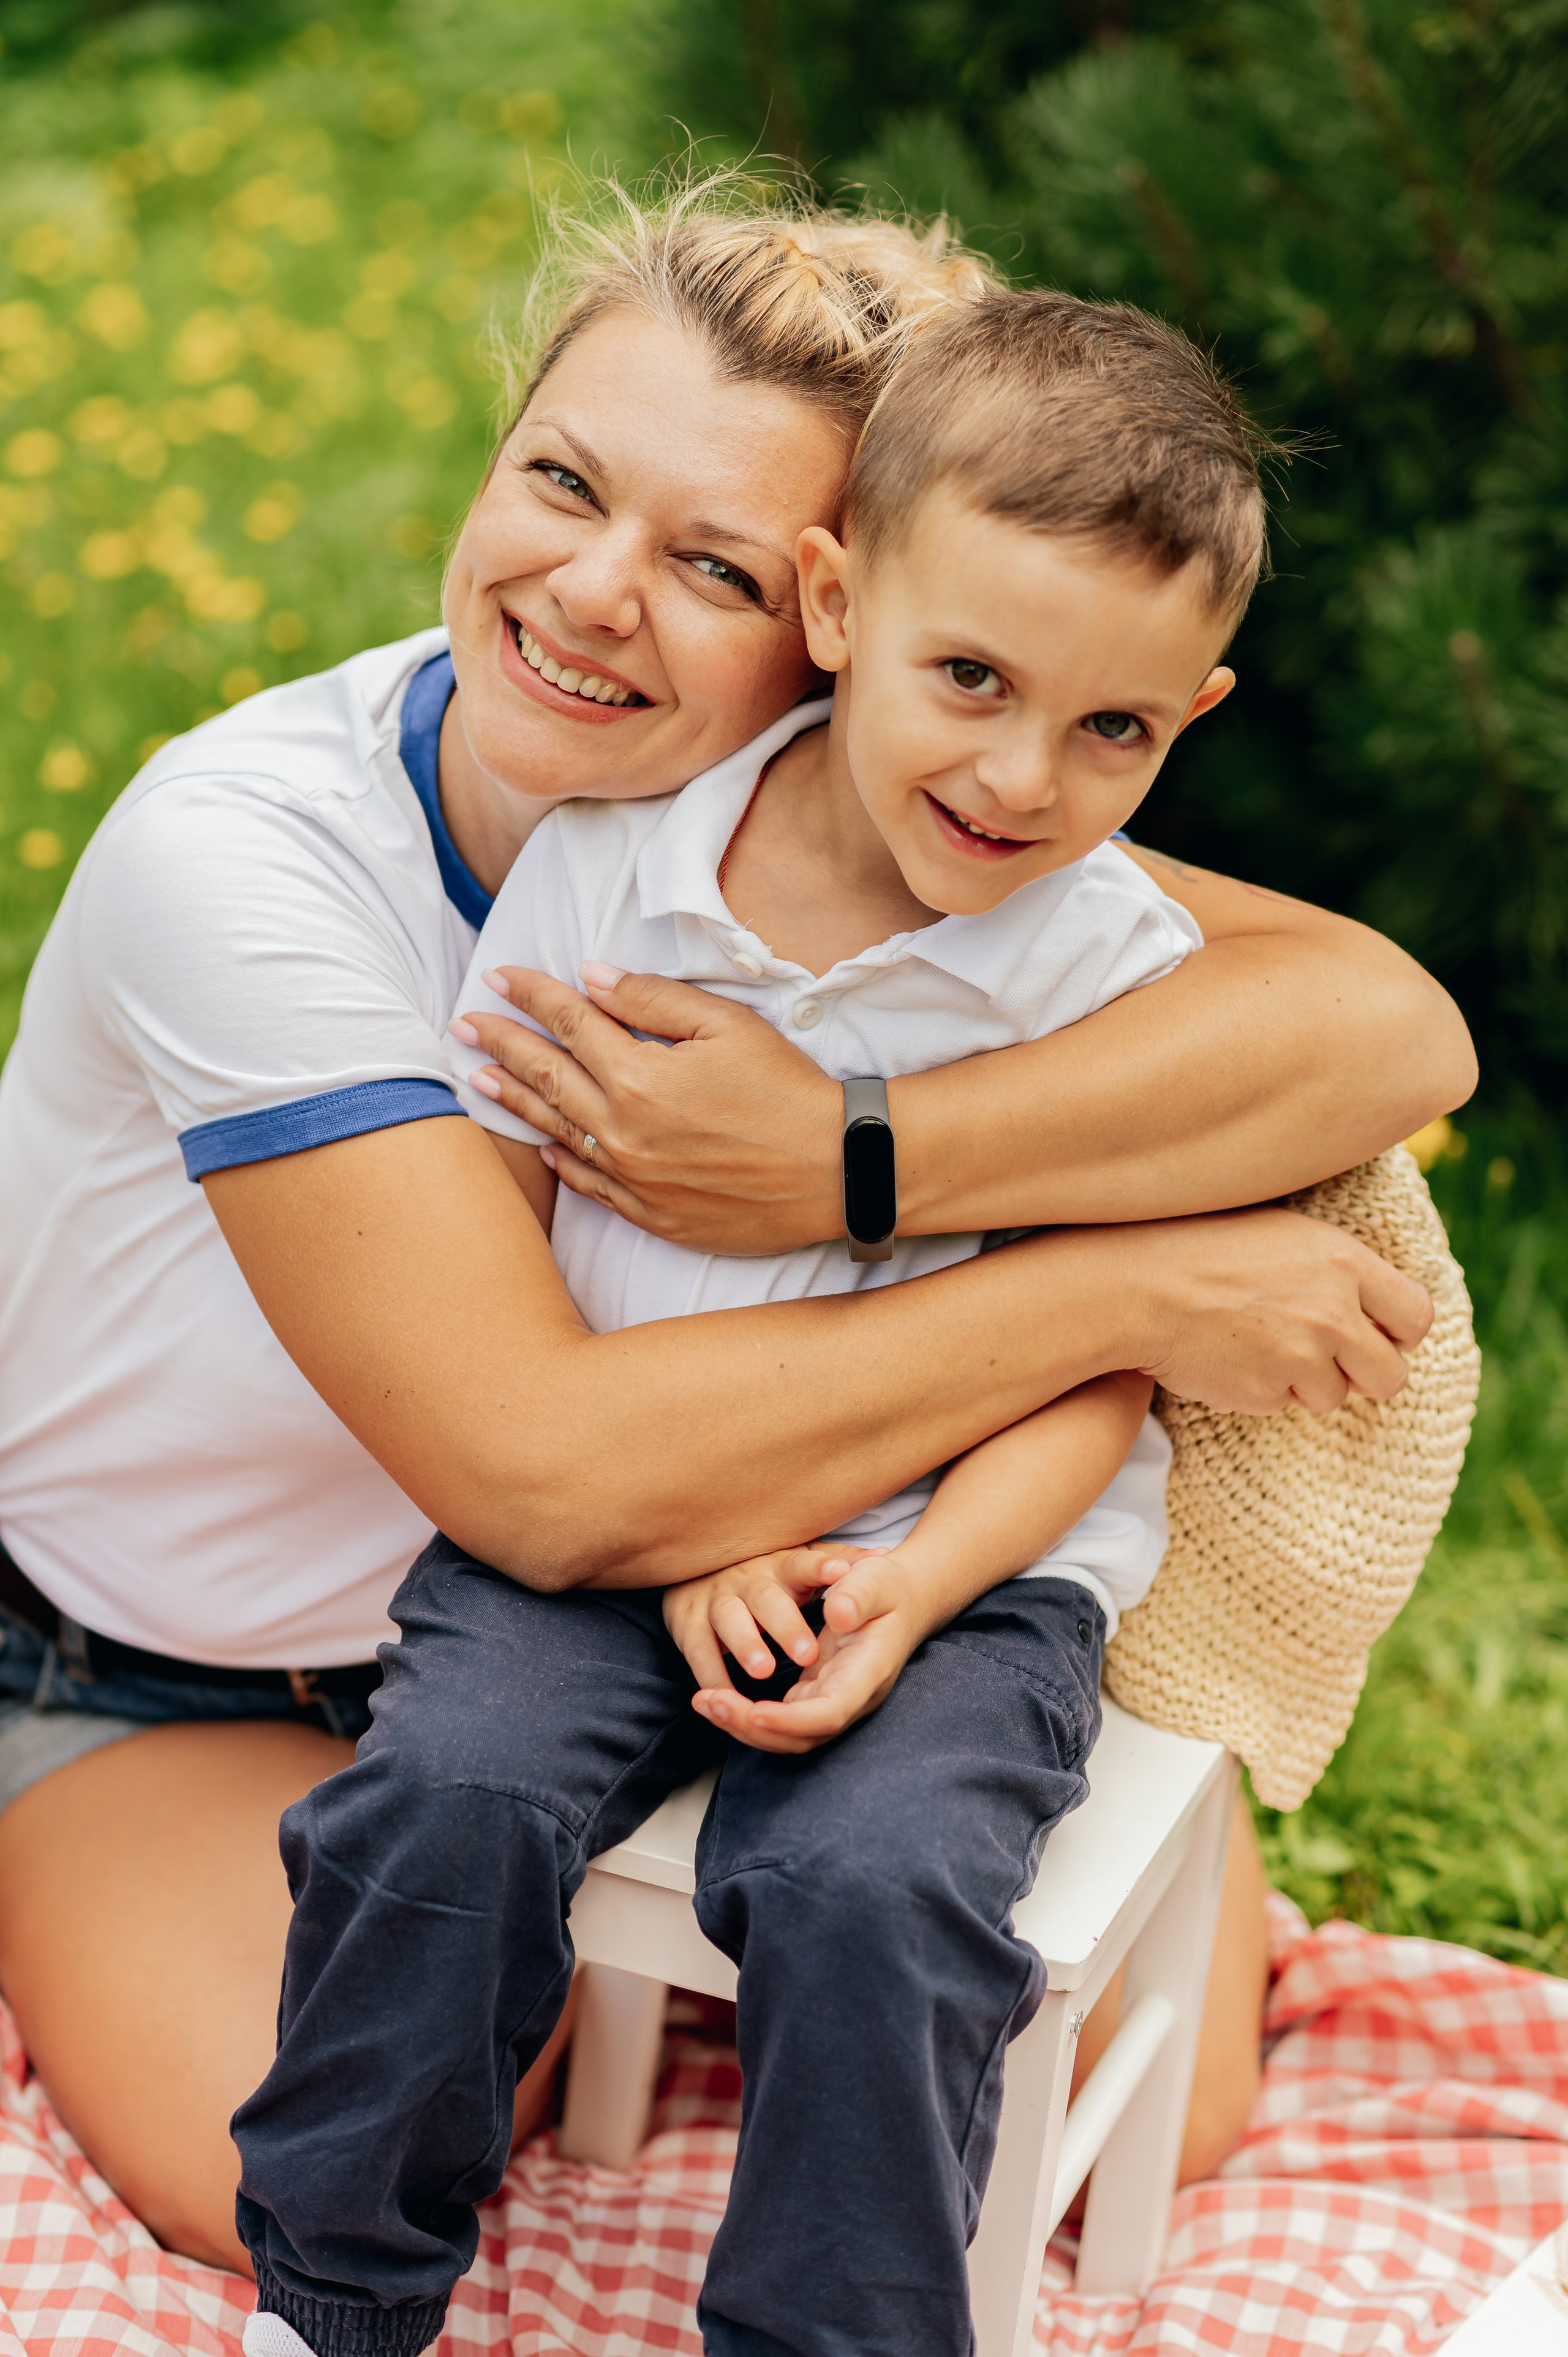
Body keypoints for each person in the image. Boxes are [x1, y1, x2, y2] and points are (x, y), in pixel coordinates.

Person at [0, 179, 1471, 2280]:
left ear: (832, 618)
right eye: (561, 483)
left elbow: (1381, 1027)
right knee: (327, 2128)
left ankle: (833, 1837)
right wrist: (1129, 1292)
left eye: (705, 565)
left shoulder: (916, 807)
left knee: (1160, 2079)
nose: (594, 594)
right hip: (198, 1658)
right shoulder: (244, 861)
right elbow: (537, 1471)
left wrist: (850, 1153)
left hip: (769, 1569)